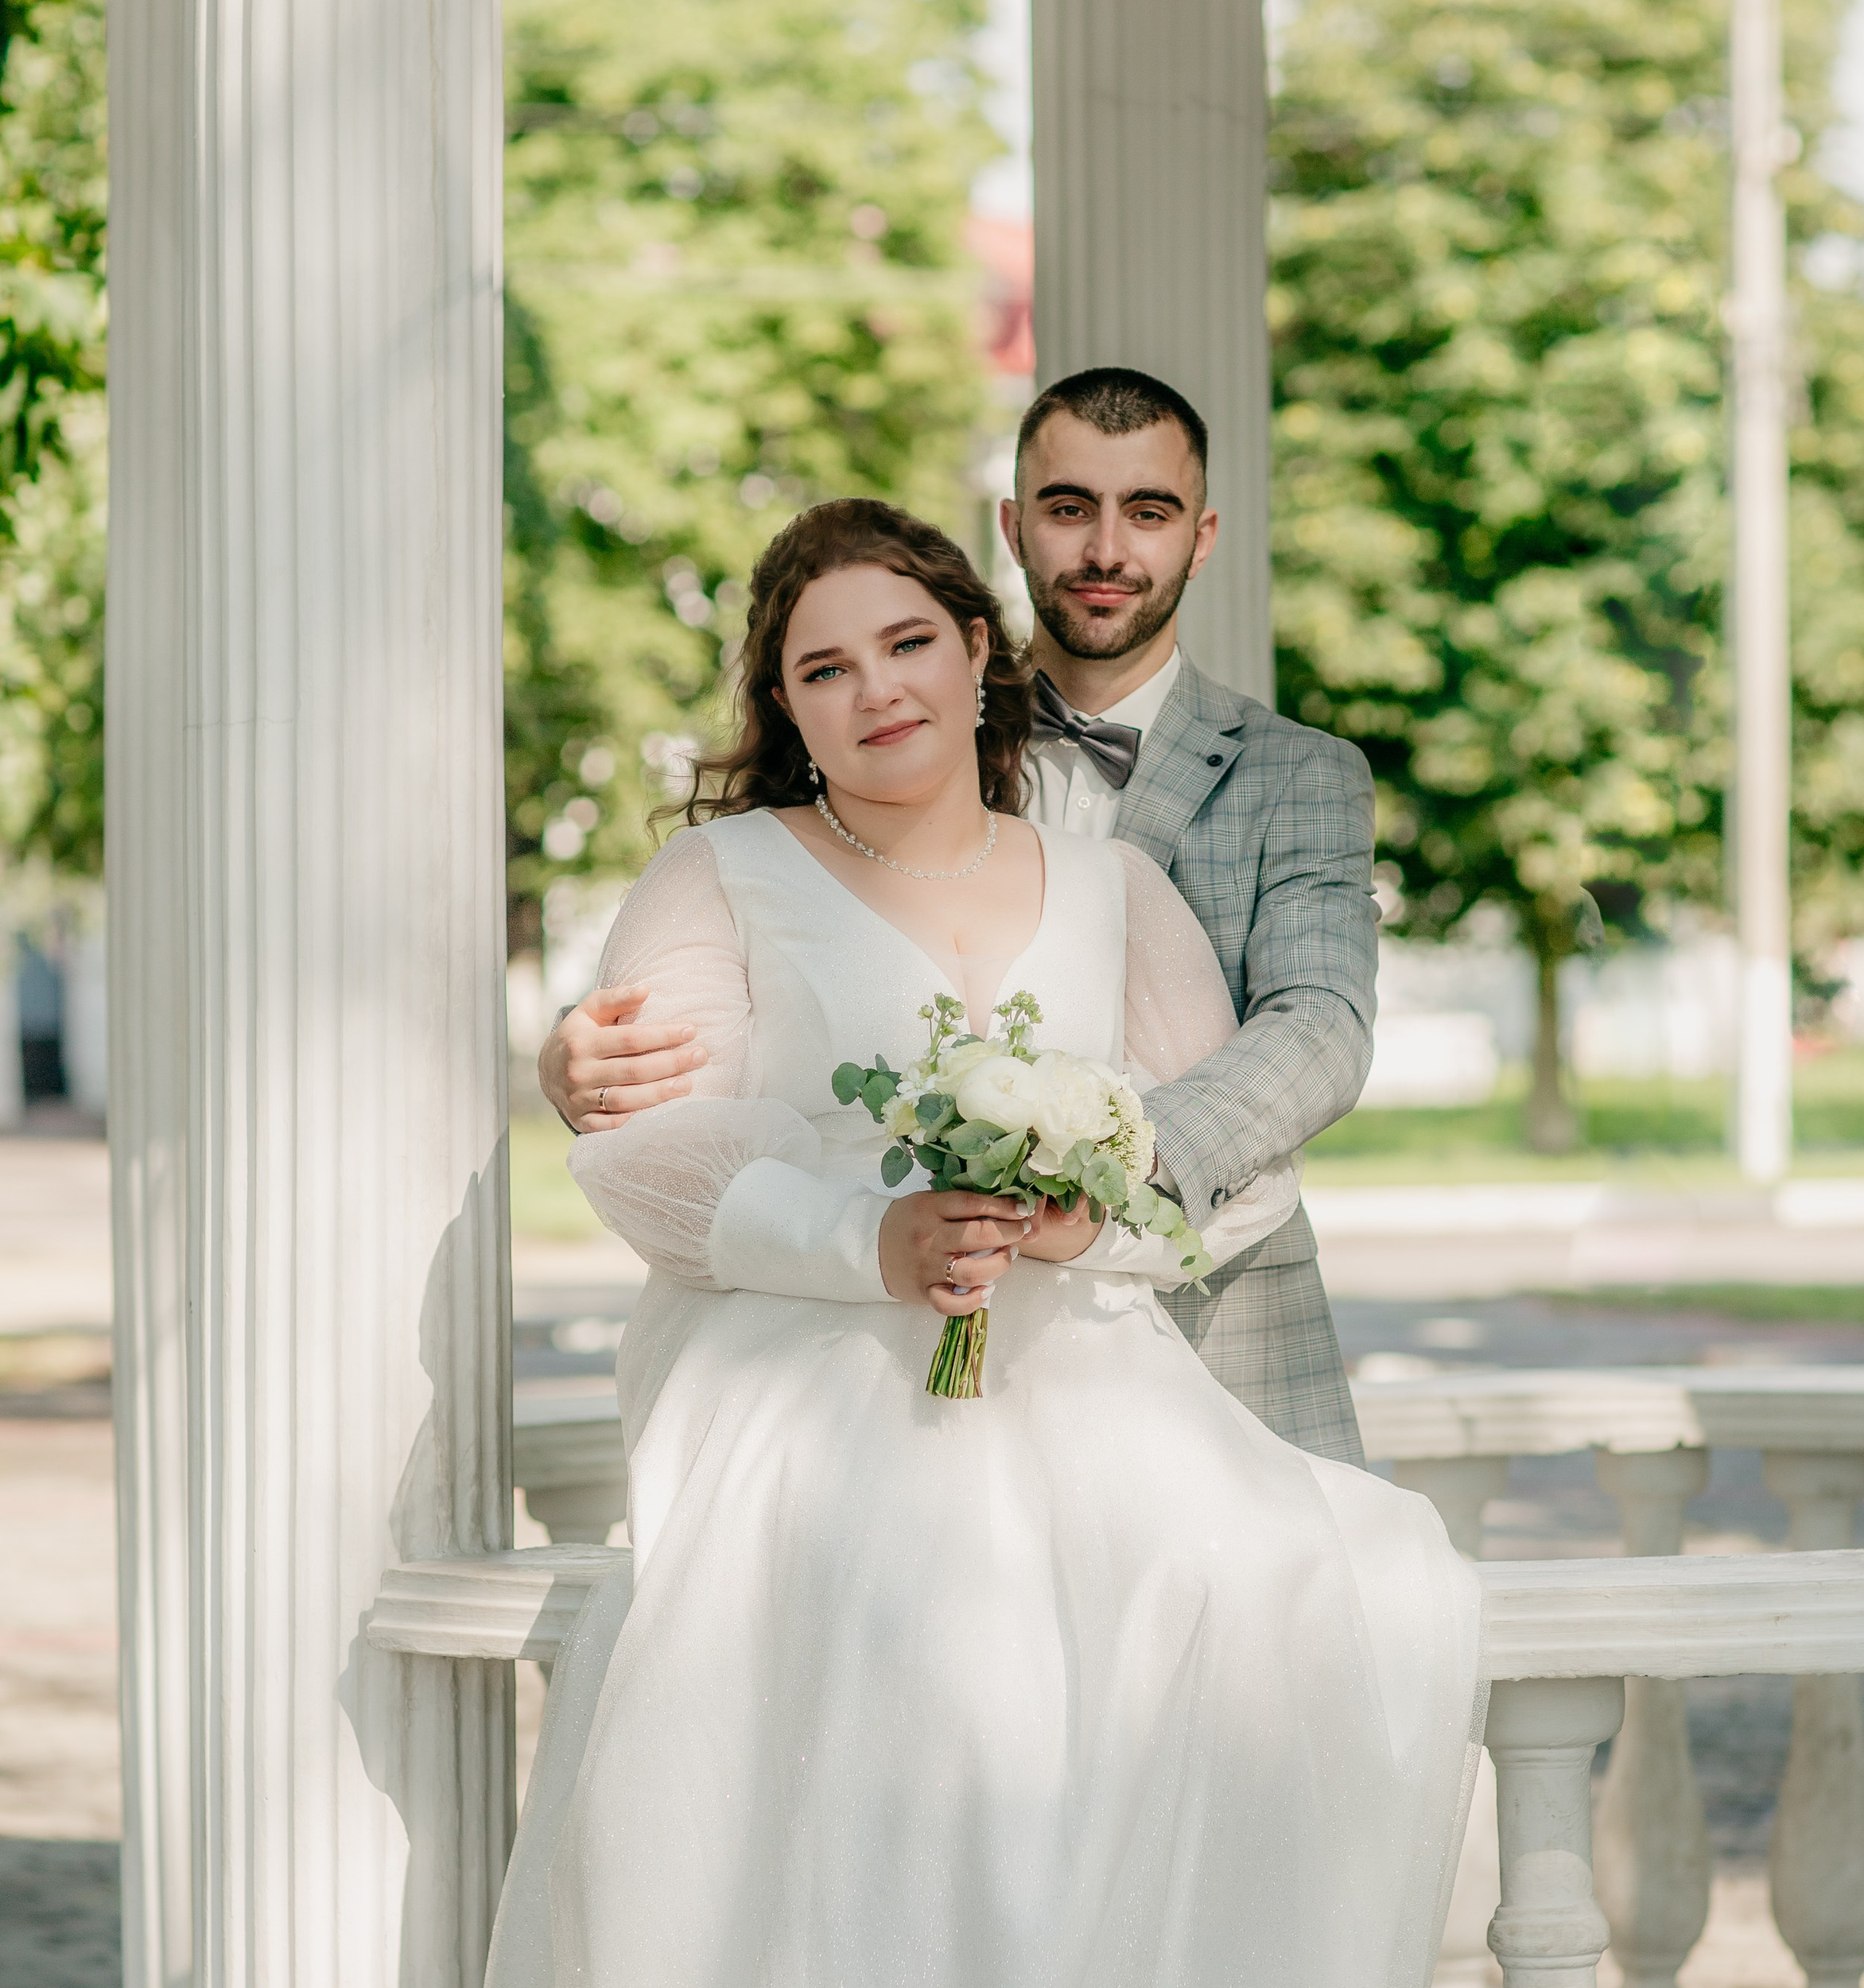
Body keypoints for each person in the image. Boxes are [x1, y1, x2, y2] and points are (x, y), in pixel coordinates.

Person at [459, 498, 1481, 1988]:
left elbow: (1223, 1162)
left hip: (1074, 1371)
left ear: (974, 648)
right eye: (821, 668)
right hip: (804, 1373)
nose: (874, 692)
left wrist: (1099, 1215)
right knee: (926, 1681)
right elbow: (642, 1155)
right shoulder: (722, 878)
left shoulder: (1104, 887)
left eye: (905, 642)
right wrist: (871, 1239)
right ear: (783, 708)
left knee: (1323, 1599)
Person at [540, 367, 1375, 1463]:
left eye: (1149, 511)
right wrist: (581, 1065)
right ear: (1013, 527)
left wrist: (1111, 1181)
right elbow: (728, 1007)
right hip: (840, 1386)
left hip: (1190, 1340)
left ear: (1201, 534)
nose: (1107, 550)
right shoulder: (894, 737)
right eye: (1069, 508)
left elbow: (1320, 1026)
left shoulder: (1292, 776)